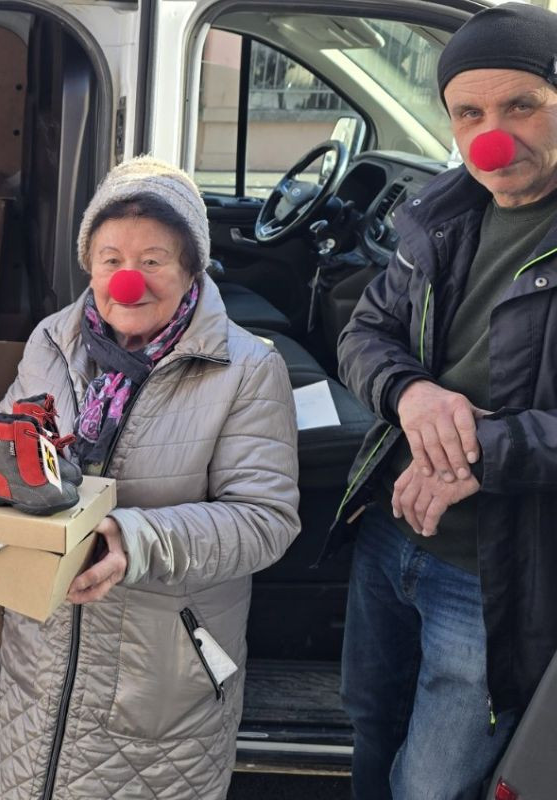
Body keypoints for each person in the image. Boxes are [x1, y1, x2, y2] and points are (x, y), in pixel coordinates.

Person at [0, 156, 300, 799]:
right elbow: (8, 422)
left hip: (162, 674)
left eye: (154, 260)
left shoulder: (247, 369)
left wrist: (131, 539)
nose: (127, 282)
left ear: (192, 267)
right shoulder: (53, 340)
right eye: (110, 259)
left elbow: (265, 519)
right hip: (44, 655)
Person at [329, 4, 557, 797]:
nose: (494, 135)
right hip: (394, 530)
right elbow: (365, 333)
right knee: (371, 722)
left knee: (432, 783)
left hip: (497, 566)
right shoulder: (443, 211)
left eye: (522, 105)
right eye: (471, 113)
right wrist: (412, 394)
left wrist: (482, 454)